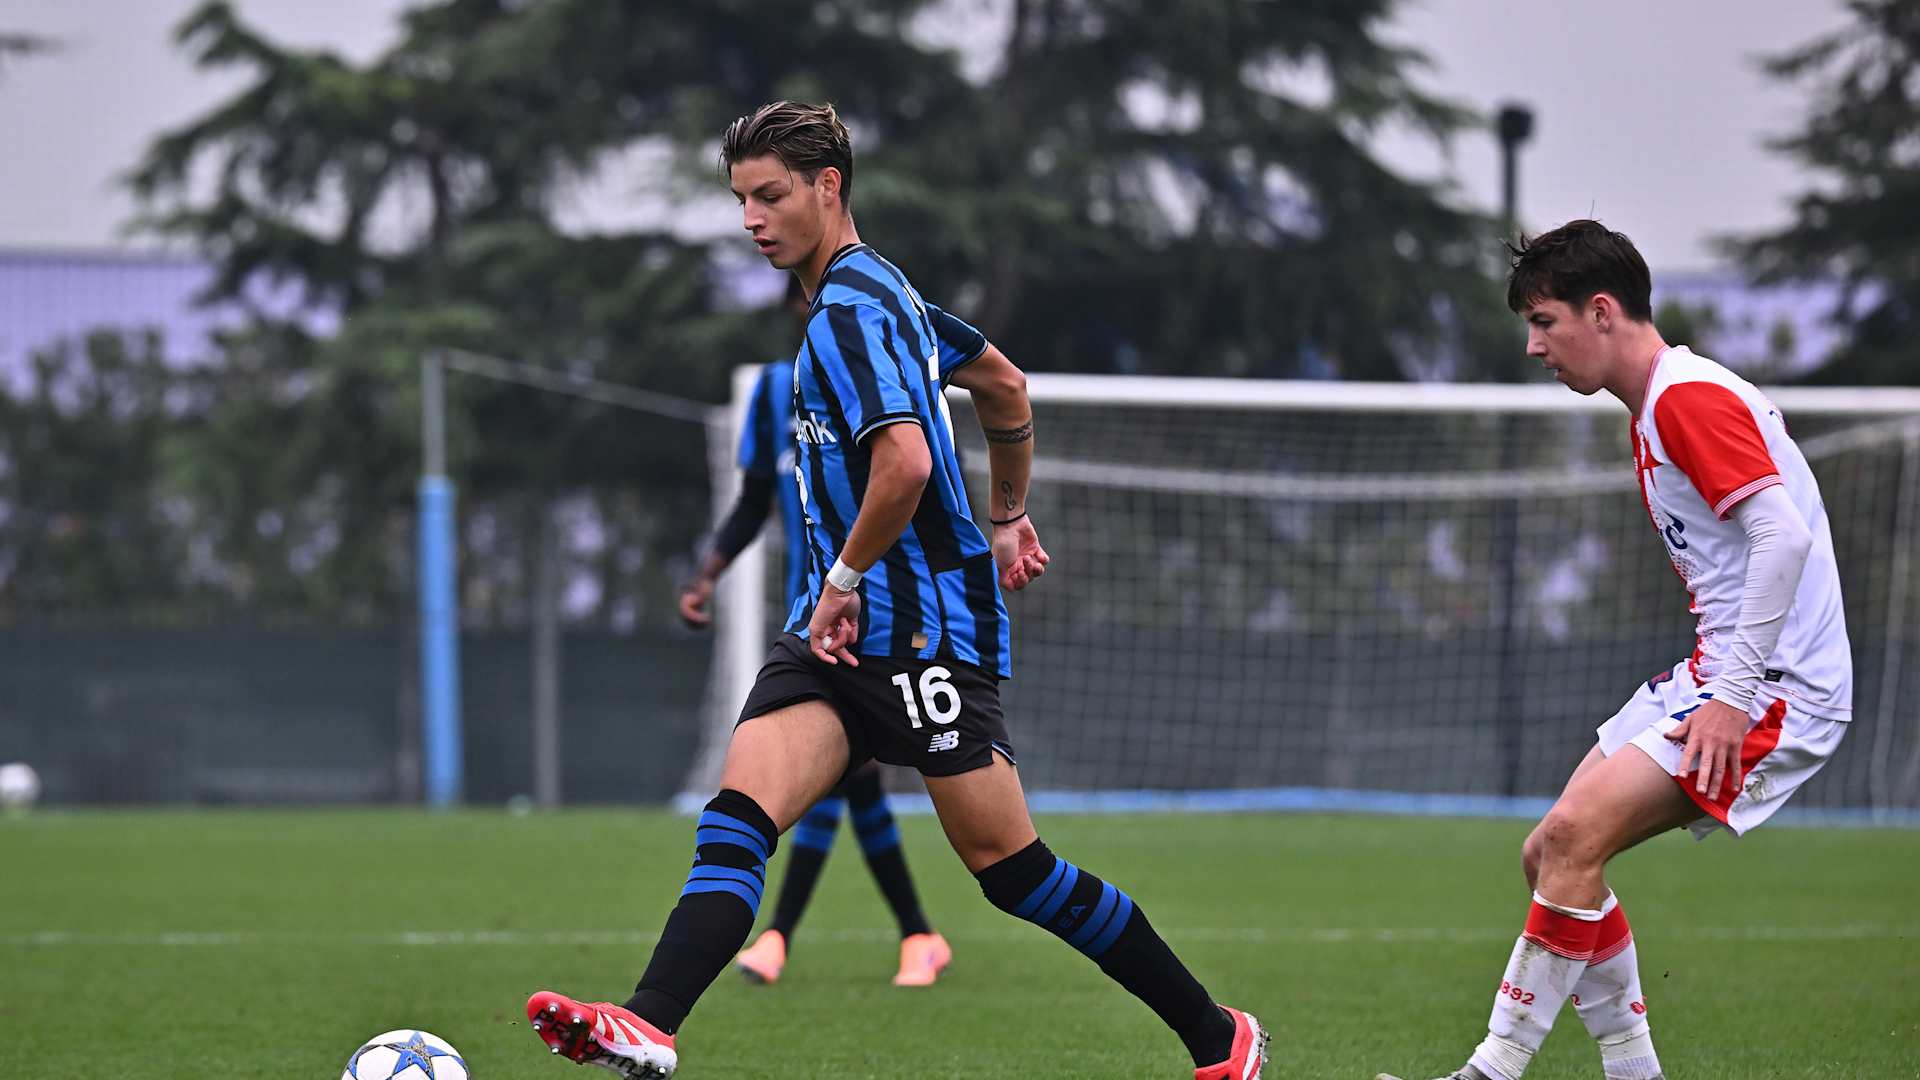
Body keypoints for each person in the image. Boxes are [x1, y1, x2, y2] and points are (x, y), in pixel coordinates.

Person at [524, 99, 1268, 1080]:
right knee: (738, 814)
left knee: (1013, 871)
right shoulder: (889, 293)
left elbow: (908, 463)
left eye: (770, 196)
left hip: (924, 633)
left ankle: (1220, 1037)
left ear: (828, 186)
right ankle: (649, 1024)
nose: (751, 219)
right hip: (836, 639)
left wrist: (845, 576)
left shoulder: (848, 313)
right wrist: (1007, 514)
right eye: (741, 199)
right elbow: (1002, 385)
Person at [1377, 220, 1851, 1080]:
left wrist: (1731, 697)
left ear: (1601, 312)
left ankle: (1490, 1070)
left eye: (1544, 322)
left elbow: (1783, 539)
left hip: (1775, 686)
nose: (1533, 346)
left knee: (1572, 837)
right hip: (1725, 671)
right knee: (1549, 854)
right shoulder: (1657, 405)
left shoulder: (1684, 398)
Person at [677, 275, 960, 989]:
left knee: (846, 778)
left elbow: (915, 474)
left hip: (886, 612)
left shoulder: (886, 384)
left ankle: (785, 935)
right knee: (850, 782)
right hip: (815, 615)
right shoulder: (776, 394)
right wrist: (708, 575)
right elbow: (754, 500)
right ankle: (914, 935)